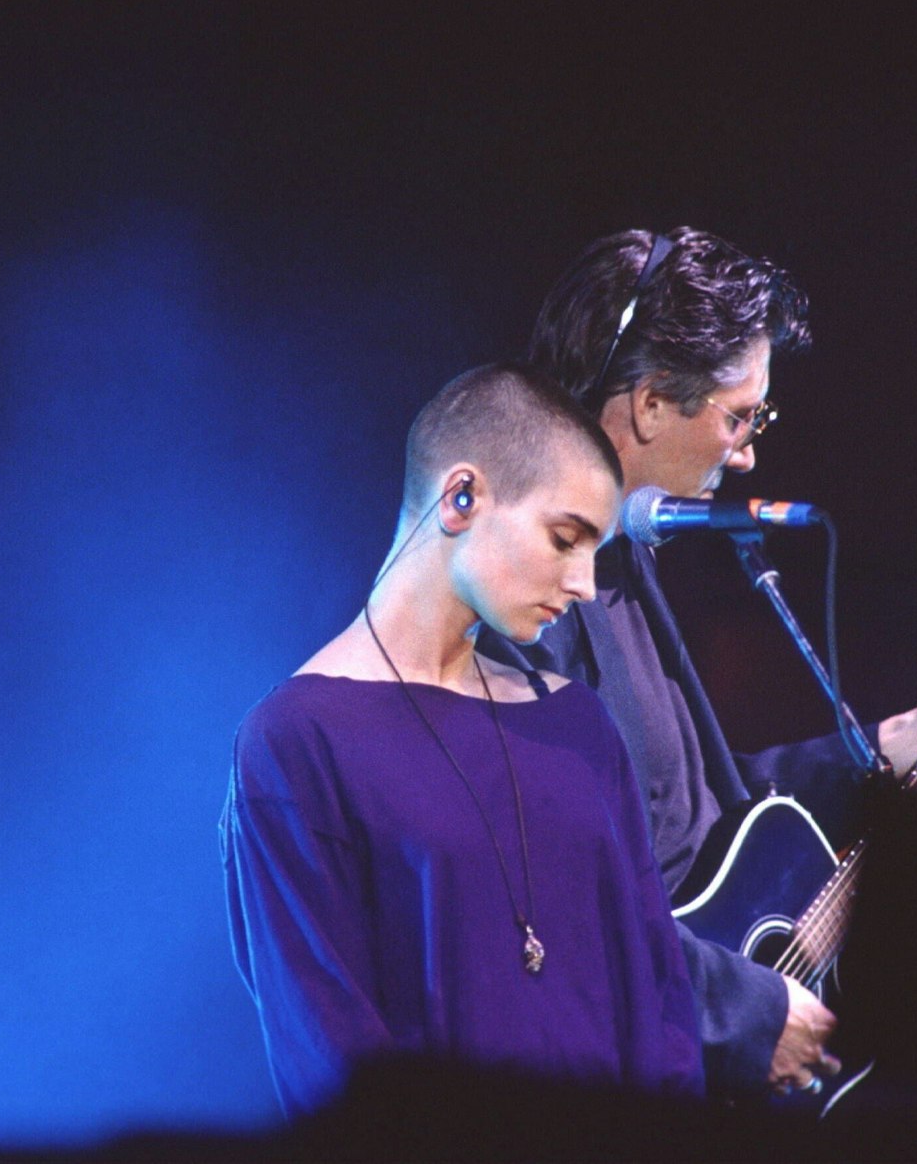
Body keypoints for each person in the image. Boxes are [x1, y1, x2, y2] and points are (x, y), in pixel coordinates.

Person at [477, 228, 917, 1098]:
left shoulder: (625, 562)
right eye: (739, 416)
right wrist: (748, 1014)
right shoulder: (531, 604)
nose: (750, 450)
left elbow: (700, 828)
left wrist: (904, 740)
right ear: (647, 405)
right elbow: (548, 909)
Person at [221, 363, 703, 1122]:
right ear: (462, 497)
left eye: (595, 551)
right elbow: (326, 1042)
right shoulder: (298, 739)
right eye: (565, 538)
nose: (583, 584)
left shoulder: (577, 724)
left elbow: (660, 990)